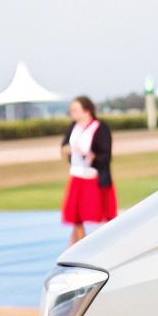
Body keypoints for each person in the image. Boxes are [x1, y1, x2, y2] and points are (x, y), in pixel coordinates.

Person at [59, 96, 115, 245]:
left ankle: (109, 245)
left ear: (87, 110)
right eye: (71, 110)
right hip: (77, 175)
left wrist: (92, 156)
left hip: (94, 177)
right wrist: (67, 150)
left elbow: (106, 155)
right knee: (76, 217)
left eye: (75, 110)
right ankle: (77, 246)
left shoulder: (99, 127)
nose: (72, 113)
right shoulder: (73, 127)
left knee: (102, 216)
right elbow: (64, 145)